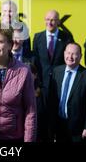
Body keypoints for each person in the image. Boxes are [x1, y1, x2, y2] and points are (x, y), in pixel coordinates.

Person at [33, 9, 73, 141]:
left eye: (53, 20)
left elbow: (69, 59)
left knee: (58, 118)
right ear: (44, 20)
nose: (50, 22)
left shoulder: (66, 37)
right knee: (43, 119)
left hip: (60, 85)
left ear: (58, 22)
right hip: (42, 86)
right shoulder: (37, 37)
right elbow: (35, 63)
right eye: (48, 19)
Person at [48, 43, 86, 142]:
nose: (70, 57)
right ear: (64, 53)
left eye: (74, 54)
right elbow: (52, 100)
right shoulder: (56, 72)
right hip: (59, 125)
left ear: (80, 56)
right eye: (68, 53)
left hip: (78, 129)